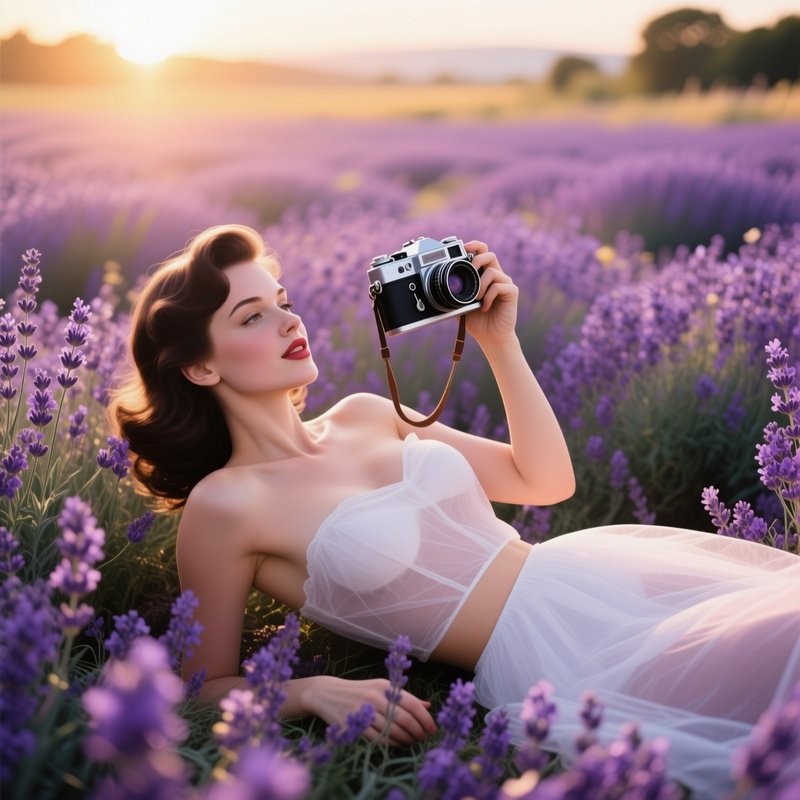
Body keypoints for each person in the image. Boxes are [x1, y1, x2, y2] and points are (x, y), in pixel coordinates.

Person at [112, 224, 800, 798]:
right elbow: (197, 689)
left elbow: (544, 479)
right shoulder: (226, 504)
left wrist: (501, 341)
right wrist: (313, 691)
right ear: (201, 367)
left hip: (601, 572)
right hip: (549, 652)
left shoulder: (364, 414)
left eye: (282, 301)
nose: (289, 320)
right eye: (251, 315)